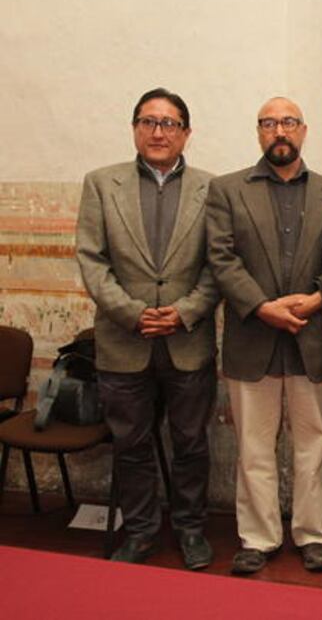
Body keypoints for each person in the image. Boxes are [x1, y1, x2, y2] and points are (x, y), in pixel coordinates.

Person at [76, 88, 219, 568]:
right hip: (123, 341)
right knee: (131, 445)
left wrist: (185, 311)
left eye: (170, 123)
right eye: (149, 121)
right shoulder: (101, 183)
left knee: (192, 444)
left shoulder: (211, 188)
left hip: (188, 341)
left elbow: (218, 265)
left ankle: (191, 528)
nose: (159, 132)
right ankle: (139, 531)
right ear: (135, 128)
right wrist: (133, 313)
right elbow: (92, 261)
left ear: (187, 133)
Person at [206, 97, 322, 575]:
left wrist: (319, 298)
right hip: (251, 337)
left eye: (288, 122)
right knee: (254, 447)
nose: (279, 130)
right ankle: (258, 538)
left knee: (313, 445)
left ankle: (312, 535)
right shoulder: (226, 190)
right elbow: (220, 259)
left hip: (313, 335)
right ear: (258, 132)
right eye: (269, 123)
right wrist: (263, 307)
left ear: (304, 129)